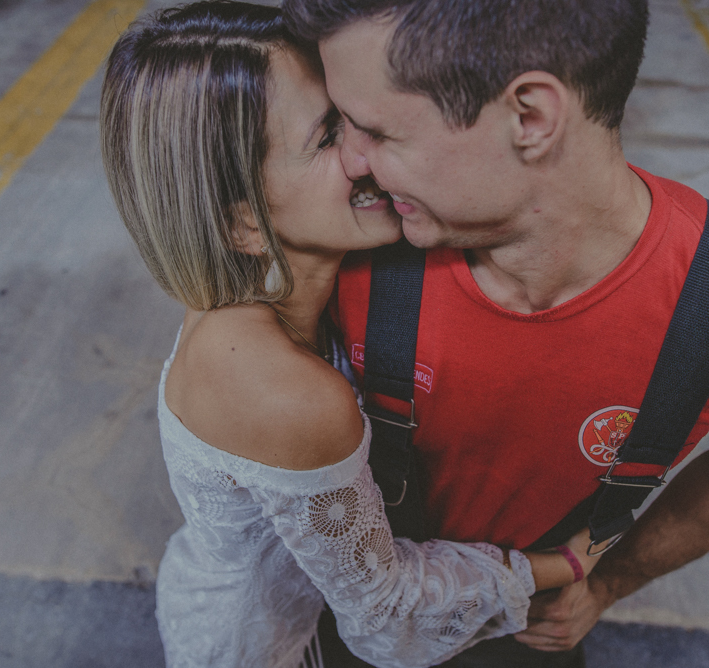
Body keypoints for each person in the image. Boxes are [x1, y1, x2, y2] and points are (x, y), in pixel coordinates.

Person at [281, 0, 709, 666]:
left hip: (519, 633)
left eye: (374, 130)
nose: (349, 161)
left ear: (531, 118)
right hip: (335, 617)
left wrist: (607, 582)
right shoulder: (335, 247)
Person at [98, 3, 603, 667]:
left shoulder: (263, 286)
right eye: (328, 134)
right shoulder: (283, 391)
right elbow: (384, 615)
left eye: (355, 114)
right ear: (244, 222)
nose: (367, 149)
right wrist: (555, 565)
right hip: (261, 647)